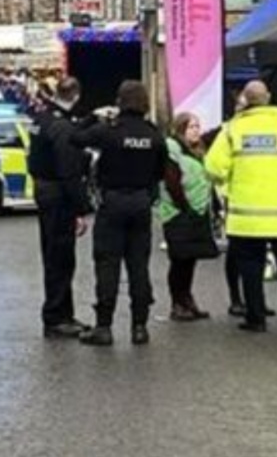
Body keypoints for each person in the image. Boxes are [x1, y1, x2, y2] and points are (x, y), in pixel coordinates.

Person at [205, 80, 277, 334]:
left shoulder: (232, 130)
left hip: (247, 218)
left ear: (245, 100)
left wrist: (227, 188)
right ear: (268, 97)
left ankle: (256, 318)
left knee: (250, 267)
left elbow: (213, 167)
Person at [72, 81, 167, 347]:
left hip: (112, 202)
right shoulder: (153, 134)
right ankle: (140, 327)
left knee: (107, 264)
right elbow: (160, 171)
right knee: (139, 266)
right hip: (140, 203)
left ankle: (104, 327)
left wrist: (93, 117)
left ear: (119, 102)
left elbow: (75, 137)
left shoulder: (109, 131)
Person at [27, 77, 93, 339]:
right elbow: (69, 171)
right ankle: (57, 317)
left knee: (53, 254)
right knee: (61, 258)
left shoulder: (41, 117)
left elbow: (66, 129)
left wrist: (89, 120)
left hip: (43, 190)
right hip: (58, 195)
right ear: (75, 96)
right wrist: (82, 208)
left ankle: (62, 313)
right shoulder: (61, 127)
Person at [158, 113, 217, 322]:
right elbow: (171, 181)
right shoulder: (172, 148)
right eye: (191, 126)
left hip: (197, 211)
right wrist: (184, 207)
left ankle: (187, 300)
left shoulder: (198, 150)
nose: (196, 130)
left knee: (190, 260)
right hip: (177, 212)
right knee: (179, 260)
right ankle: (177, 303)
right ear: (180, 128)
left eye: (197, 126)